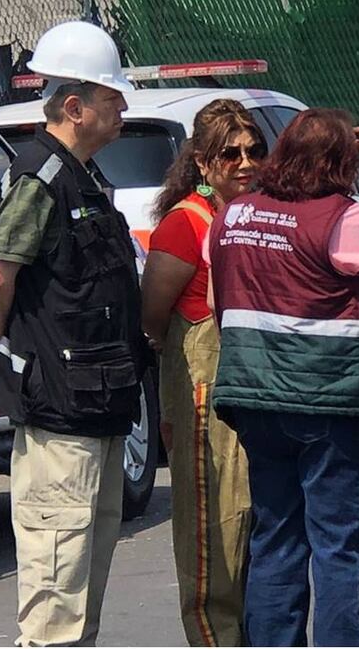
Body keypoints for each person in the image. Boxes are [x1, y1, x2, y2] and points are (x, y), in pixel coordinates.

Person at [204, 109, 359, 646]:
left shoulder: (233, 217)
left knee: (276, 539)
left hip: (256, 400)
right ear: (343, 163)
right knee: (338, 546)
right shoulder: (341, 218)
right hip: (332, 405)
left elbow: (219, 305)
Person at [0, 21, 146, 646]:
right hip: (59, 421)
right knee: (54, 609)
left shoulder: (86, 178)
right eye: (112, 98)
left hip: (95, 411)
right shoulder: (41, 178)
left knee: (79, 603)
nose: (123, 108)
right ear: (75, 107)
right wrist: (0, 351)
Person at [141, 99, 266, 646]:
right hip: (203, 391)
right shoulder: (186, 223)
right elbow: (153, 315)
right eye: (230, 153)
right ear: (202, 162)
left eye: (254, 150)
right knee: (212, 528)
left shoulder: (259, 213)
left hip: (259, 390)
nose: (245, 162)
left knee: (259, 524)